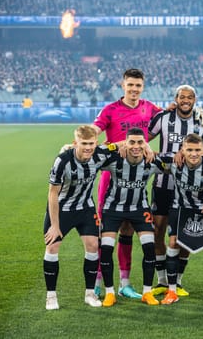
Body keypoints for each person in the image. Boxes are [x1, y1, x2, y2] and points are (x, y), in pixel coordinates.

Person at [92, 68, 161, 299]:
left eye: (138, 86)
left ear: (143, 87)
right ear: (123, 85)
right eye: (130, 85)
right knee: (106, 230)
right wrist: (82, 138)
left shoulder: (149, 108)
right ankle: (98, 280)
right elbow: (95, 129)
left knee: (128, 230)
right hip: (111, 176)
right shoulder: (111, 109)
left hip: (138, 177)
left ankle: (124, 283)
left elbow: (170, 118)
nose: (134, 89)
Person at [43, 125, 116, 310]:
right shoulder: (63, 161)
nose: (88, 148)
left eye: (91, 143)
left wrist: (146, 147)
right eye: (84, 144)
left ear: (96, 143)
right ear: (75, 143)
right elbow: (52, 194)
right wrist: (54, 225)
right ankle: (51, 296)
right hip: (61, 209)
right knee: (52, 246)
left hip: (85, 207)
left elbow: (121, 145)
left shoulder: (100, 154)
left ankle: (90, 293)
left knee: (93, 245)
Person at [147, 85, 203, 297]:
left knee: (185, 235)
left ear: (195, 99)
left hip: (191, 188)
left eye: (190, 97)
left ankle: (179, 281)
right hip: (163, 184)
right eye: (182, 97)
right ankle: (162, 280)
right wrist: (159, 154)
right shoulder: (163, 118)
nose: (185, 100)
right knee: (158, 231)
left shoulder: (202, 120)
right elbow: (143, 141)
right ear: (176, 98)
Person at [159, 134, 203, 305]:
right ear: (182, 150)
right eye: (189, 150)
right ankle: (172, 290)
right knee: (174, 242)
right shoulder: (174, 162)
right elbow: (154, 157)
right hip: (180, 208)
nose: (193, 154)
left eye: (197, 150)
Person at [98, 127, 163, 307]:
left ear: (146, 144)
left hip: (139, 209)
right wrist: (113, 146)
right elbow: (93, 154)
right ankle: (110, 293)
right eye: (131, 142)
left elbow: (177, 161)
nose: (136, 146)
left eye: (140, 142)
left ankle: (147, 292)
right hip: (113, 209)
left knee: (149, 249)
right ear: (125, 143)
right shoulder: (114, 159)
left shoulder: (152, 162)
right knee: (106, 249)